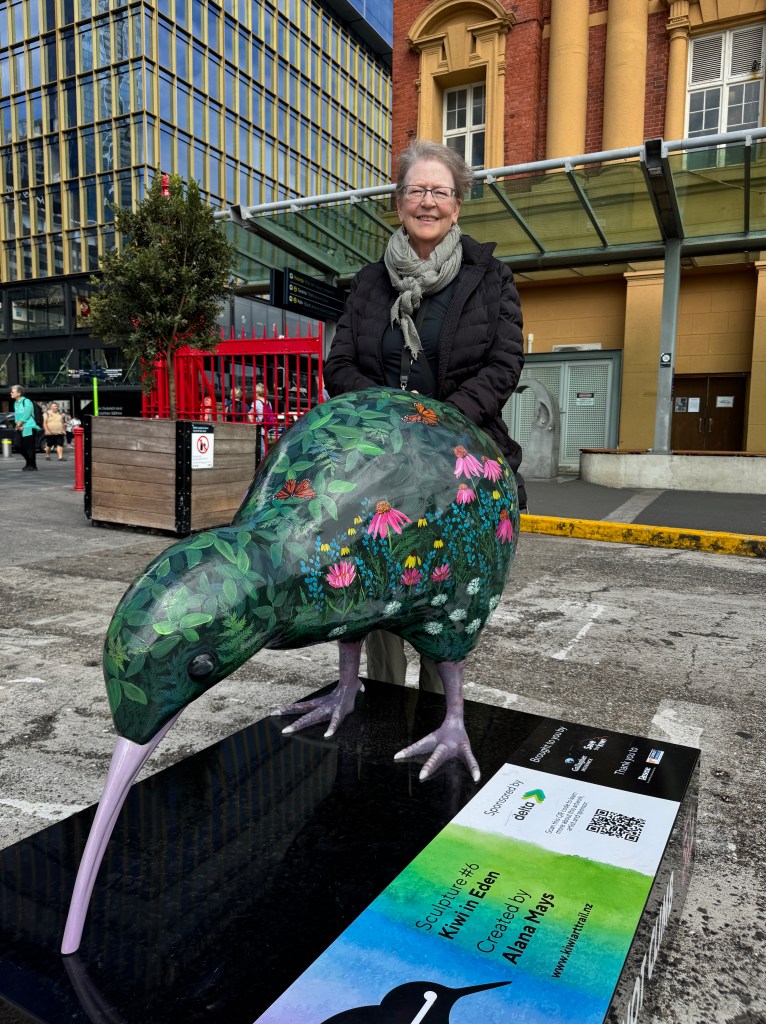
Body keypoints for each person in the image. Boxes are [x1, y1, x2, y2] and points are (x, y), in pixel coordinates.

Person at [323, 139, 526, 692]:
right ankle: (384, 707)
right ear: (399, 203)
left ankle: (438, 711)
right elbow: (339, 365)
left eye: (441, 191)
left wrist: (440, 423)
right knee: (378, 595)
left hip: (456, 467)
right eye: (417, 190)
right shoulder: (370, 283)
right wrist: (395, 418)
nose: (428, 201)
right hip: (380, 469)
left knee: (442, 597)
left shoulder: (490, 276)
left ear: (457, 205)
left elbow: (505, 362)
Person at [10, 384, 40, 471]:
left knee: (29, 447)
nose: (10, 393)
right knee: (17, 445)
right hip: (20, 426)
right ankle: (29, 462)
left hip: (28, 427)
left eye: (12, 392)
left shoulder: (26, 401)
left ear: (19, 393)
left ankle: (32, 465)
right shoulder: (16, 403)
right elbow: (16, 416)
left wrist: (20, 423)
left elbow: (27, 413)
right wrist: (18, 425)